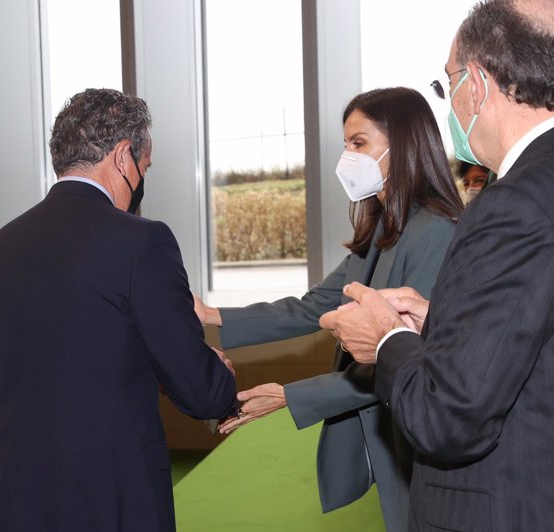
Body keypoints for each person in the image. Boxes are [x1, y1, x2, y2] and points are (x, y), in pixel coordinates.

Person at [320, 1, 554, 530]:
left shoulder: (514, 203)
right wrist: (440, 322)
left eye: (447, 83)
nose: (450, 103)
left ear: (475, 83)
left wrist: (386, 340)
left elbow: (446, 419)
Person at [0, 89, 238, 532]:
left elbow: (53, 365)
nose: (143, 179)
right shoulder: (141, 242)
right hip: (104, 500)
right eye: (145, 166)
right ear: (123, 157)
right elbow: (201, 391)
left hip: (5, 498)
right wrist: (219, 376)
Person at [194, 87, 463, 530]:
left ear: (403, 144)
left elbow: (402, 357)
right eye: (346, 145)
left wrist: (289, 396)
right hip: (397, 435)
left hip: (423, 440)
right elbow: (313, 306)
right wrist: (212, 315)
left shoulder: (433, 231)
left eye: (359, 143)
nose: (347, 158)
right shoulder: (385, 227)